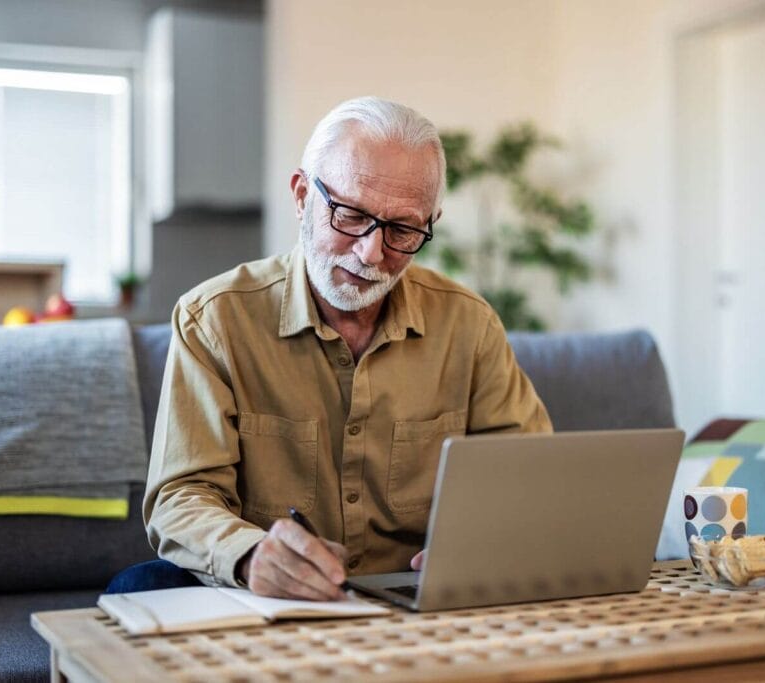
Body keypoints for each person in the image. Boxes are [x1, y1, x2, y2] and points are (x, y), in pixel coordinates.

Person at [109, 96, 551, 600]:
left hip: (417, 594)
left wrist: (486, 543)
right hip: (265, 593)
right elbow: (181, 497)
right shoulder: (215, 320)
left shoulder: (468, 324)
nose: (371, 252)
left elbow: (528, 474)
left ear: (431, 221)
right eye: (350, 215)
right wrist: (252, 556)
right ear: (302, 196)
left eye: (403, 229)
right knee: (140, 588)